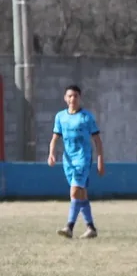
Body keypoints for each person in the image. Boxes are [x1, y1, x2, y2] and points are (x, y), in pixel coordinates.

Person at [47, 85, 105, 238]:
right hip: (68, 161)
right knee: (81, 194)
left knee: (74, 192)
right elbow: (54, 138)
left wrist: (100, 160)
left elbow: (97, 141)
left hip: (83, 159)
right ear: (65, 98)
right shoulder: (60, 117)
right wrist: (51, 154)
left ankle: (69, 227)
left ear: (80, 98)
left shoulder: (86, 117)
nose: (73, 99)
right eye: (70, 96)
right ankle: (91, 228)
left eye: (76, 96)